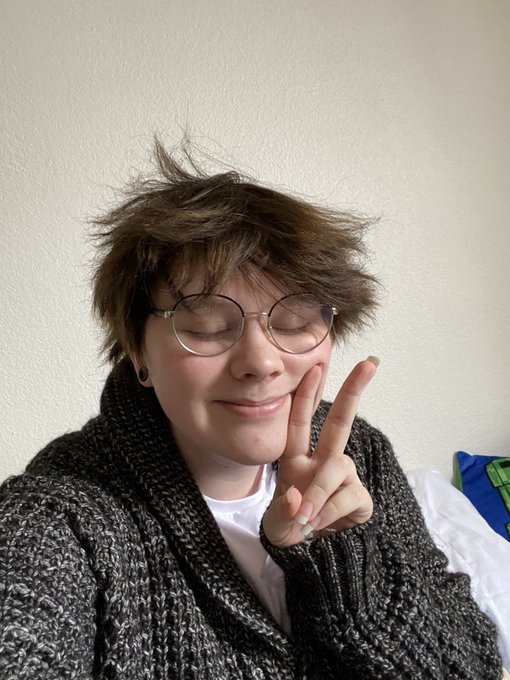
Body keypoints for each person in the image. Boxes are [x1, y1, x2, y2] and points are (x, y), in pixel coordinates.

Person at [0, 141, 503, 679]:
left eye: (295, 321)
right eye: (206, 325)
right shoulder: (65, 513)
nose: (262, 362)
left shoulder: (360, 455)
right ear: (137, 351)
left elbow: (472, 658)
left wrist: (346, 564)